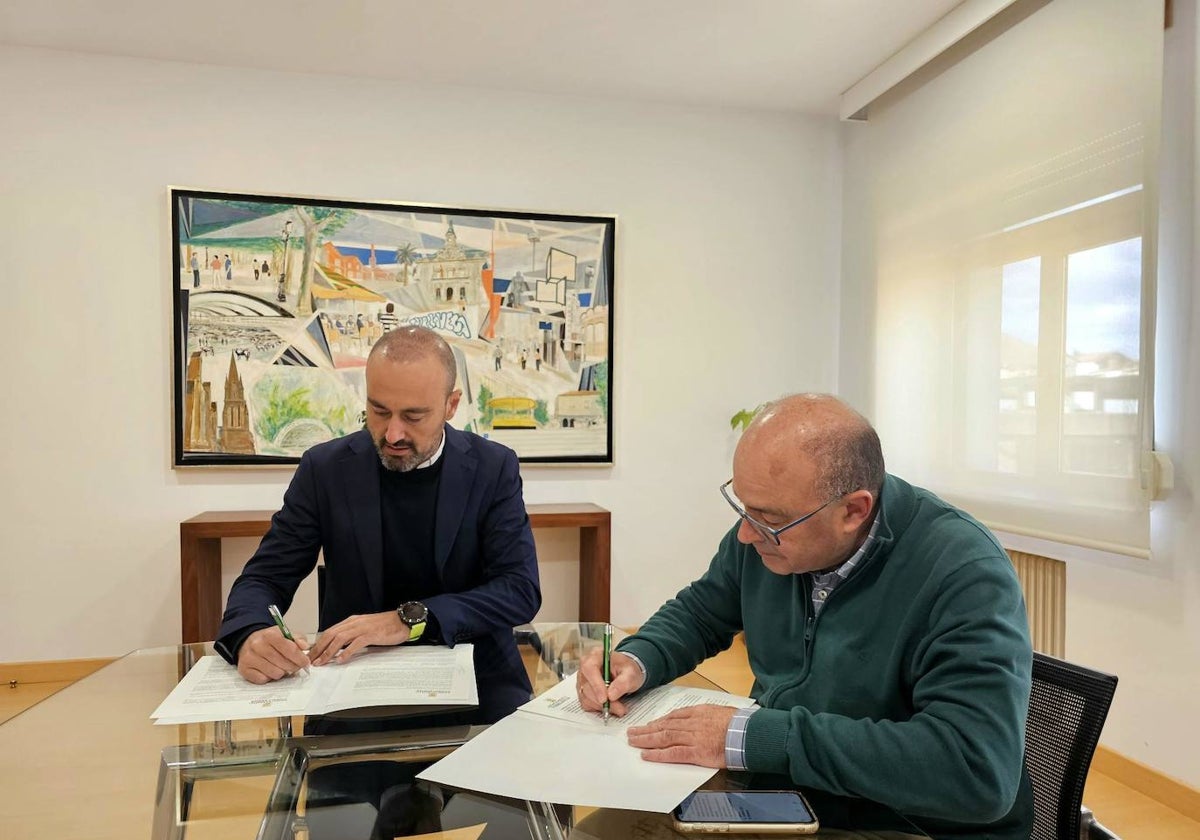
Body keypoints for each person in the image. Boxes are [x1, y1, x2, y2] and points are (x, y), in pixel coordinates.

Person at [576, 394, 1033, 840]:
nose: (746, 533)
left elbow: (976, 769)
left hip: (901, 821)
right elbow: (701, 612)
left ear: (853, 511)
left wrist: (753, 737)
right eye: (742, 507)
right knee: (593, 831)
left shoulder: (963, 572)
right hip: (789, 791)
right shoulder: (771, 536)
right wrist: (637, 658)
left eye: (768, 519)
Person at [216, 325, 542, 729]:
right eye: (379, 410)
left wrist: (407, 620)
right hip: (352, 688)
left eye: (414, 416)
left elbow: (519, 589)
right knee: (342, 787)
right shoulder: (326, 470)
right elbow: (264, 577)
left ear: (451, 405)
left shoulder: (493, 467)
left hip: (478, 683)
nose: (393, 434)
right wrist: (250, 632)